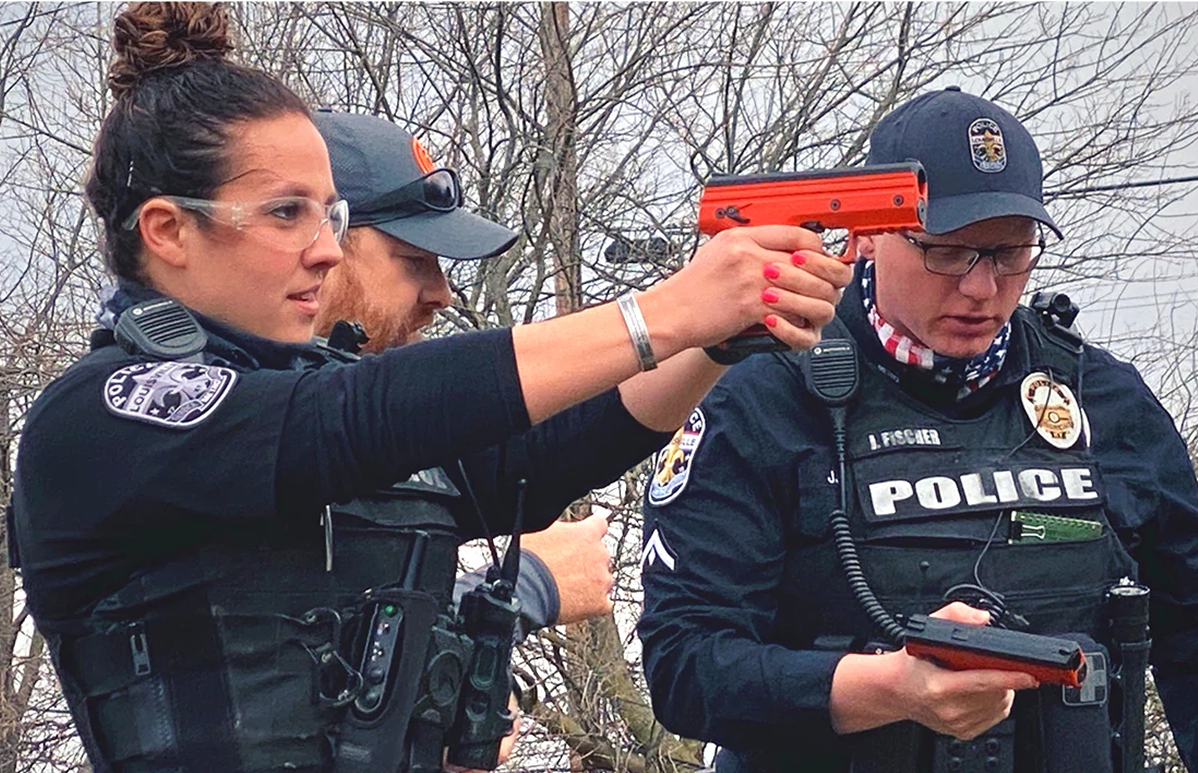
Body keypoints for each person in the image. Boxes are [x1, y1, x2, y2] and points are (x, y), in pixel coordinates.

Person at [6, 4, 851, 773]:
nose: (327, 249)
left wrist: (717, 336)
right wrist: (662, 311)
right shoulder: (104, 418)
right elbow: (349, 422)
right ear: (168, 231)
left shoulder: (330, 401)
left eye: (333, 216)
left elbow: (543, 452)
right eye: (286, 213)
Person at [638, 86, 1198, 773]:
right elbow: (684, 664)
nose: (980, 287)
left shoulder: (1101, 400)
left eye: (1008, 253)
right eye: (946, 251)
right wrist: (883, 690)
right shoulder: (760, 398)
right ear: (869, 232)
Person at [309, 109, 616, 638]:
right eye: (413, 261)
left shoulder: (398, 424)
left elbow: (552, 448)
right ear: (319, 243)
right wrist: (521, 587)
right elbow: (299, 658)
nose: (441, 295)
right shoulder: (213, 412)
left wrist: (712, 338)